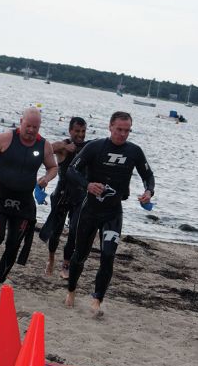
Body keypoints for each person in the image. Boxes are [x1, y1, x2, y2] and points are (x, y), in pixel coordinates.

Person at [65, 111, 155, 316]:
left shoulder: (134, 151)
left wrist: (148, 192)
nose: (123, 134)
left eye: (127, 130)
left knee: (108, 255)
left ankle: (97, 299)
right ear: (110, 127)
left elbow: (148, 175)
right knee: (80, 255)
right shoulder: (95, 147)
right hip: (90, 211)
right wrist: (87, 184)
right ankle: (71, 290)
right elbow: (72, 170)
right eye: (119, 129)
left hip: (113, 213)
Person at [0, 107, 58, 283]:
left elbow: (53, 167)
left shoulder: (44, 145)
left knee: (14, 244)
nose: (31, 130)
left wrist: (46, 178)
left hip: (23, 202)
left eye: (35, 127)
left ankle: (1, 279)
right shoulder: (6, 138)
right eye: (28, 126)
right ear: (21, 122)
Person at [39, 117, 88, 279]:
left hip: (79, 196)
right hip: (61, 195)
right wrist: (64, 146)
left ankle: (66, 264)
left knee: (74, 231)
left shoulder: (88, 148)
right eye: (77, 131)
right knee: (56, 233)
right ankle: (51, 258)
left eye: (83, 131)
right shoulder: (63, 147)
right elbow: (45, 150)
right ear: (70, 131)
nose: (80, 135)